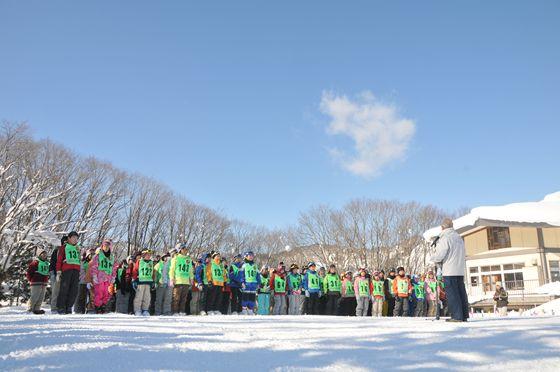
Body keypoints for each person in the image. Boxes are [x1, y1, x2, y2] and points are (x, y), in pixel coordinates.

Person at [430, 218, 469, 322]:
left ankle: (456, 316)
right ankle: (464, 314)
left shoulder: (445, 238)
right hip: (460, 269)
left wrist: (432, 257)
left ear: (442, 227)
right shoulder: (458, 237)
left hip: (450, 269)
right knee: (461, 292)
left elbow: (440, 254)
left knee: (452, 293)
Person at [89, 240, 118, 314]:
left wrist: (113, 277)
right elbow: (94, 266)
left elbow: (114, 267)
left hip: (108, 278)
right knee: (99, 293)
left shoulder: (112, 257)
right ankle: (98, 306)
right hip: (100, 277)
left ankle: (103, 306)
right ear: (102, 246)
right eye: (105, 246)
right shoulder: (98, 256)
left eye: (108, 246)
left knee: (106, 293)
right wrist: (94, 276)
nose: (106, 247)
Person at [56, 231, 81, 314]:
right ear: (69, 238)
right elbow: (59, 259)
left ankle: (69, 306)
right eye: (73, 237)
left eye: (76, 238)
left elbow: (79, 259)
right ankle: (61, 307)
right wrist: (58, 271)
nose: (75, 239)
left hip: (76, 270)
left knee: (74, 290)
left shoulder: (78, 248)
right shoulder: (64, 247)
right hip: (67, 269)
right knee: (64, 288)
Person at [169, 244, 194, 315]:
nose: (186, 250)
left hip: (186, 281)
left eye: (186, 249)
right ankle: (175, 311)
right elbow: (172, 270)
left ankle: (181, 311)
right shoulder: (175, 258)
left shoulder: (188, 259)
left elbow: (190, 270)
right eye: (184, 249)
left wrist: (191, 278)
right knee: (176, 297)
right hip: (178, 281)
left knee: (184, 298)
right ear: (180, 250)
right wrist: (171, 279)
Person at [26, 248, 50, 314]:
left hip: (44, 282)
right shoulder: (35, 263)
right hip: (36, 282)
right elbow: (29, 273)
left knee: (41, 297)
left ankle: (37, 309)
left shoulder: (46, 263)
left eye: (45, 254)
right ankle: (30, 308)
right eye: (43, 254)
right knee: (35, 296)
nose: (44, 255)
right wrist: (31, 280)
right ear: (39, 255)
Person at [132, 249, 155, 316]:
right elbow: (135, 271)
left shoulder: (151, 262)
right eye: (147, 254)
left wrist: (153, 281)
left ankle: (145, 310)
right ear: (144, 255)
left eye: (150, 255)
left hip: (148, 282)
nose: (149, 256)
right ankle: (137, 310)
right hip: (140, 281)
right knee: (139, 297)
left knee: (147, 297)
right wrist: (134, 280)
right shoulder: (139, 261)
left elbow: (152, 272)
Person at [49, 236, 66, 313]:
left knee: (63, 292)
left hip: (66, 274)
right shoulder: (57, 250)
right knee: (56, 291)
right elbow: (52, 262)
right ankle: (54, 307)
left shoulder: (69, 251)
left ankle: (61, 307)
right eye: (64, 242)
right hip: (56, 273)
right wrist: (52, 273)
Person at [74, 249, 93, 314]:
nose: (91, 256)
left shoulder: (94, 263)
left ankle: (84, 309)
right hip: (82, 281)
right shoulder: (84, 262)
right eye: (90, 254)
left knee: (88, 297)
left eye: (93, 254)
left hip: (90, 282)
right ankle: (78, 310)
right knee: (80, 296)